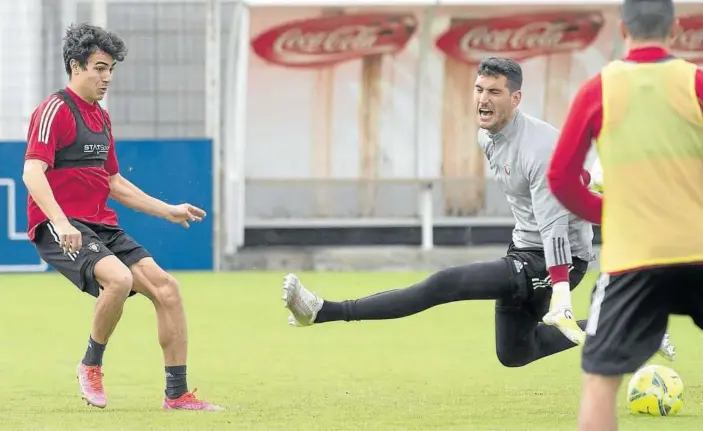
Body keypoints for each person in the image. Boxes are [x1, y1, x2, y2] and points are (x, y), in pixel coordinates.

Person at [281, 56, 675, 369]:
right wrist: (587, 176)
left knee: (444, 284)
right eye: (479, 89)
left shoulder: (538, 146)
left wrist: (561, 294)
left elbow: (555, 223)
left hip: (559, 260)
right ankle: (638, 328)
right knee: (515, 354)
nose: (483, 99)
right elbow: (565, 176)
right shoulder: (486, 133)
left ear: (516, 99)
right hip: (524, 249)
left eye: (494, 92)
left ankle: (322, 312)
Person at [22, 23, 223, 411]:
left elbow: (113, 182)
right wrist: (62, 223)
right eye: (99, 67)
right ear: (75, 66)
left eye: (111, 68)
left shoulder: (101, 118)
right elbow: (32, 172)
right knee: (119, 278)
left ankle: (177, 395)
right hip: (59, 225)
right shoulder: (54, 110)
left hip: (99, 224)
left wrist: (168, 210)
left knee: (168, 289)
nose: (107, 77)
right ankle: (90, 365)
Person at [546, 0, 703, 429]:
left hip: (633, 259)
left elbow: (559, 179)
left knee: (600, 380)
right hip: (697, 249)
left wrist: (610, 215)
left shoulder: (599, 88)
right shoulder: (697, 83)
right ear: (675, 31)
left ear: (623, 30)